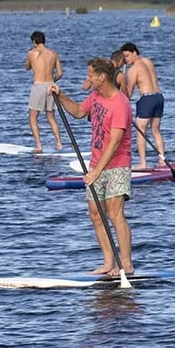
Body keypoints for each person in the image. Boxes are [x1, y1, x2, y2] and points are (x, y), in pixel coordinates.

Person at [49, 58, 134, 275]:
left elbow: (115, 141)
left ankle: (126, 264)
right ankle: (108, 263)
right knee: (96, 214)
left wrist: (96, 171)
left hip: (117, 165)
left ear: (102, 77)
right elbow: (79, 112)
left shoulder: (120, 103)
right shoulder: (95, 96)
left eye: (90, 75)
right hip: (96, 165)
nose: (87, 79)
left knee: (115, 214)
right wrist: (60, 95)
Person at [121, 42, 165, 169]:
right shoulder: (148, 61)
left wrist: (122, 86)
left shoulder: (133, 69)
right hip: (158, 97)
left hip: (147, 99)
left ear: (135, 53)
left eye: (127, 56)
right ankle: (162, 161)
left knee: (141, 131)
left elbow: (129, 93)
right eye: (124, 57)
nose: (126, 60)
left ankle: (142, 163)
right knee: (156, 131)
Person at [25, 31, 64, 152]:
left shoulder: (32, 53)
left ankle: (38, 145)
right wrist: (52, 81)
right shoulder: (54, 54)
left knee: (33, 117)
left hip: (38, 85)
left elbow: (27, 67)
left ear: (34, 42)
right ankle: (59, 143)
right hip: (51, 86)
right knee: (51, 116)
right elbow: (60, 73)